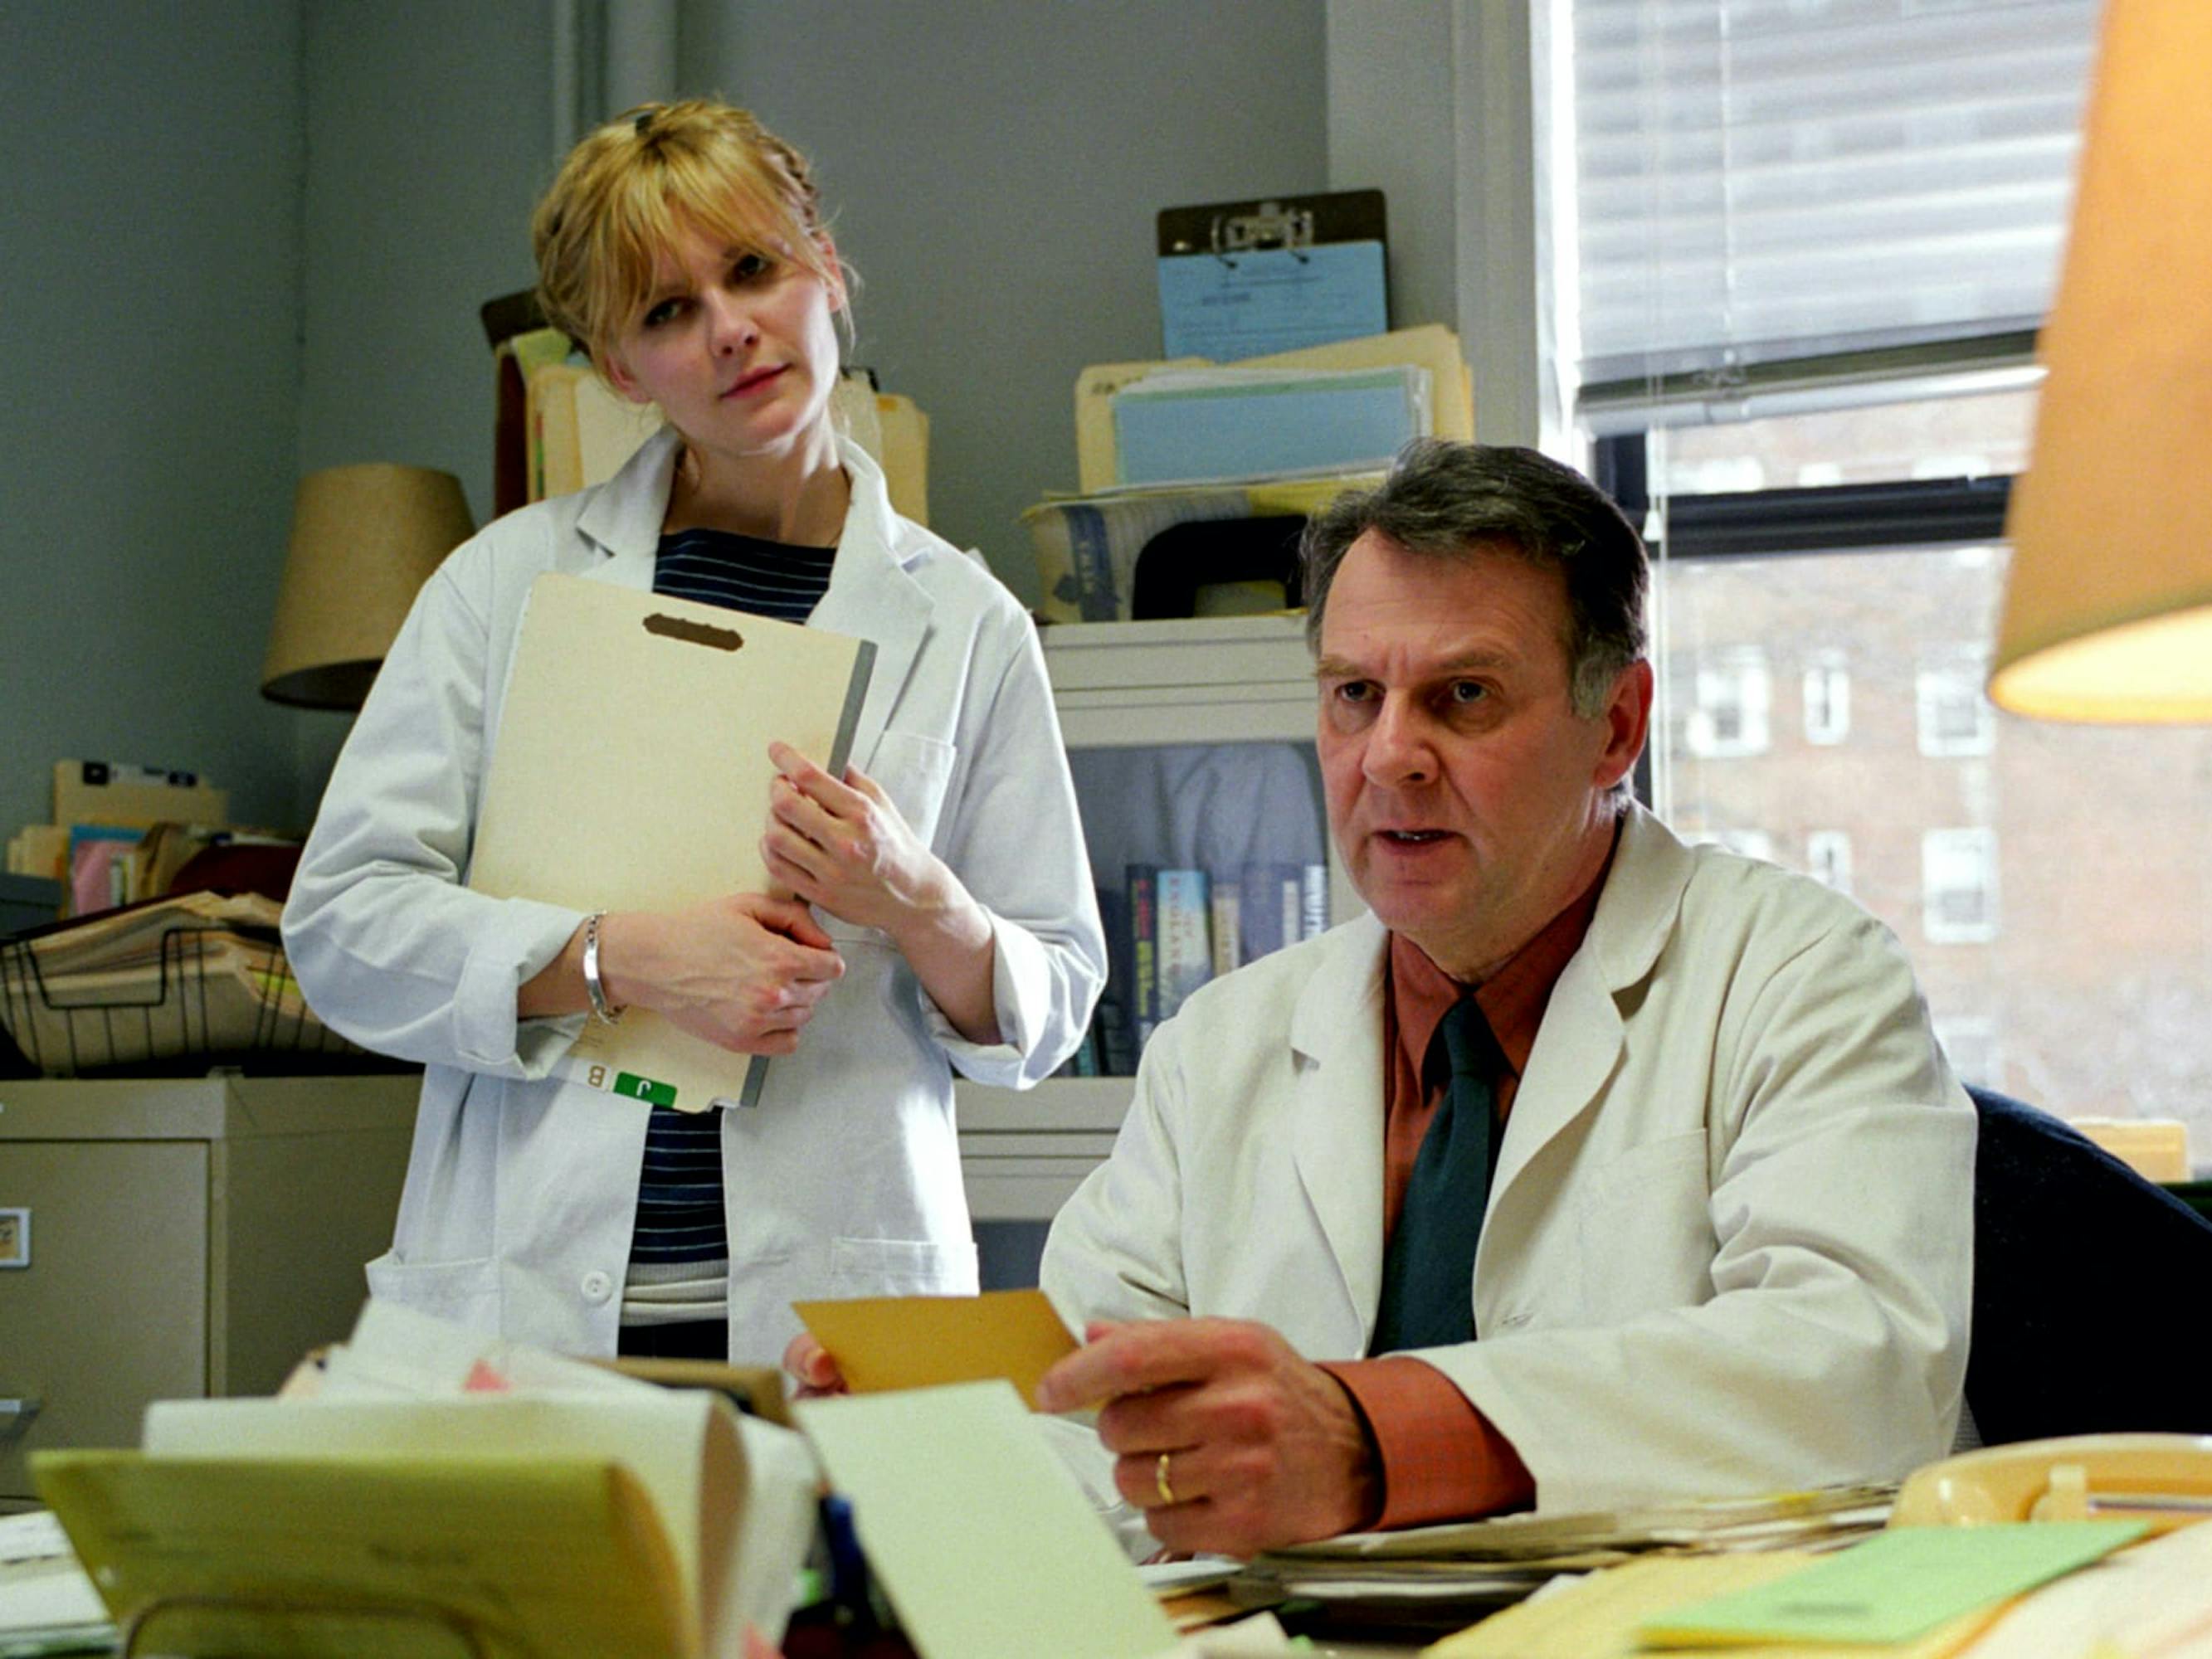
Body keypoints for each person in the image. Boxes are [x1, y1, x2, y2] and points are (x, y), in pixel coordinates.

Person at [789, 439, 1972, 1557]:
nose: (1389, 756)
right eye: (1353, 694)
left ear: (1614, 727)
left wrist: (1368, 1439)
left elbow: (1857, 1372)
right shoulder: (1224, 1042)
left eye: (1462, 697)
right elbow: (1094, 1412)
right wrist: (920, 1445)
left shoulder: (1801, 976)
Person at [283, 100, 1104, 1366]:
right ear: (617, 371)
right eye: (665, 313)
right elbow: (341, 928)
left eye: (753, 270)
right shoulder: (506, 587)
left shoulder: (965, 621)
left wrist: (917, 899)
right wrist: (623, 960)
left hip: (838, 1313)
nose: (728, 330)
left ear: (824, 268)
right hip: (534, 1306)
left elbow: (1049, 1002)